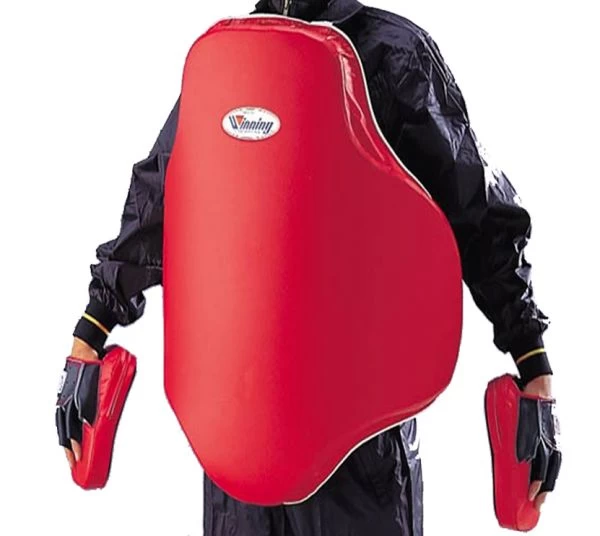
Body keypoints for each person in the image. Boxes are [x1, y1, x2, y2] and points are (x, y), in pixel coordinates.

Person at [56, 1, 560, 535]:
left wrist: (531, 357)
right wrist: (92, 328)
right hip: (241, 444)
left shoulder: (393, 55)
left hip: (358, 443)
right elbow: (161, 196)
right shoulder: (234, 59)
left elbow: (478, 212)